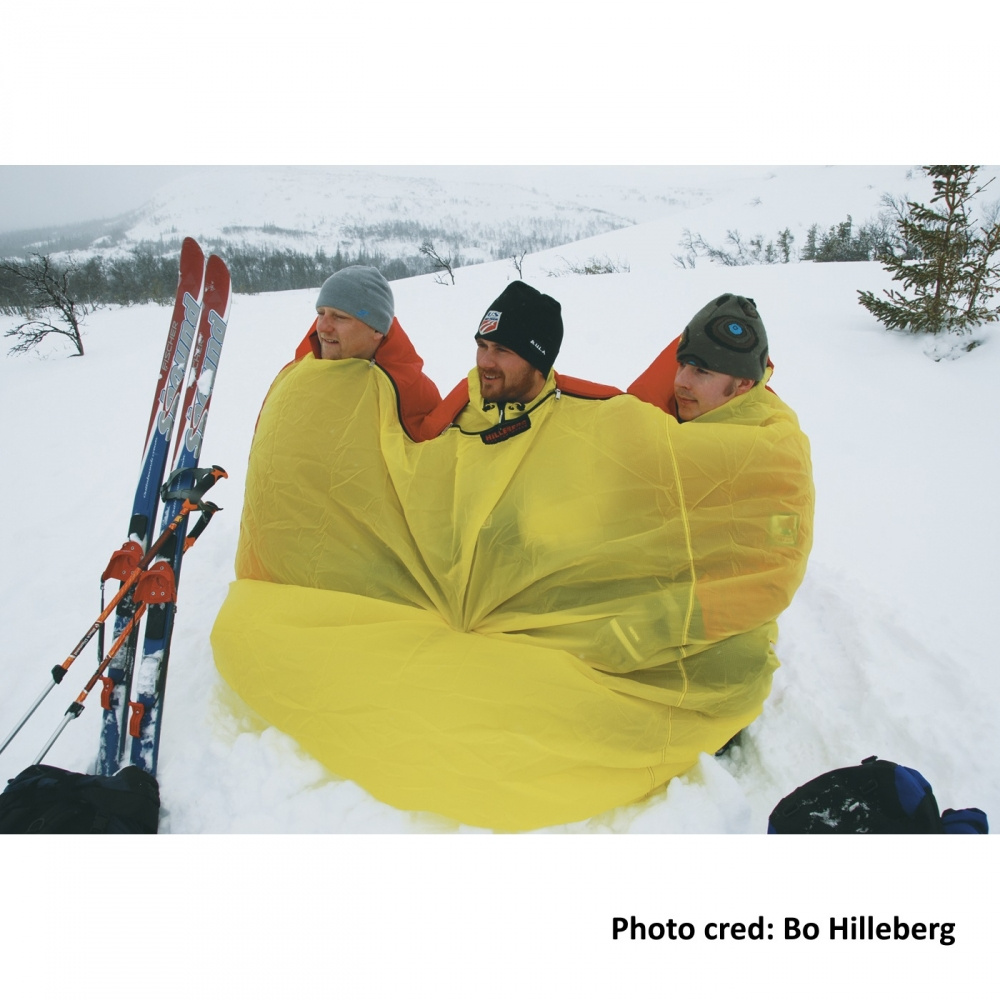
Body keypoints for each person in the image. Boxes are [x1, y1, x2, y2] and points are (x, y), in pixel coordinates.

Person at [420, 280, 621, 439]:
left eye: (502, 350)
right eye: (482, 346)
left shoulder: (591, 421)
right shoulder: (455, 414)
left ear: (537, 362)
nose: (484, 362)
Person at [284, 265, 441, 440]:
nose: (322, 327)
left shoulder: (412, 394)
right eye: (321, 313)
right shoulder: (296, 376)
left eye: (340, 317)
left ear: (377, 330)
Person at [628, 293, 772, 421]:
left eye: (702, 371)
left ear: (743, 383)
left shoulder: (769, 445)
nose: (680, 381)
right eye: (682, 364)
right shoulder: (644, 422)